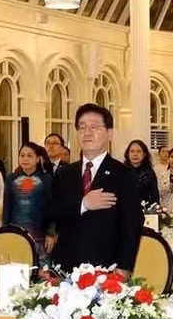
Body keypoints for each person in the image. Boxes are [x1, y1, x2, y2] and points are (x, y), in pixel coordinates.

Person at [51, 104, 143, 275]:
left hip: (107, 269)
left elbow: (132, 225)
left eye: (94, 127)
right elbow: (52, 214)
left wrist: (124, 268)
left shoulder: (124, 174)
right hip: (67, 267)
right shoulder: (65, 174)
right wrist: (83, 204)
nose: (87, 132)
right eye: (82, 127)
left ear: (109, 133)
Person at [4, 143, 56, 262]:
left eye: (29, 155)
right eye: (22, 155)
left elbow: (51, 209)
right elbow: (7, 208)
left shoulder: (46, 180)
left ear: (38, 159)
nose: (25, 159)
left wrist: (51, 234)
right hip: (15, 233)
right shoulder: (11, 179)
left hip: (40, 234)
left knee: (41, 272)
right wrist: (5, 231)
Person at [123, 139, 160, 207]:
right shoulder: (121, 171)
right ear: (128, 154)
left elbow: (155, 196)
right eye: (132, 151)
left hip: (146, 211)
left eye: (138, 151)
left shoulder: (150, 172)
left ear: (144, 154)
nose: (135, 154)